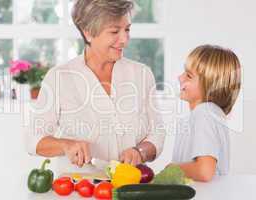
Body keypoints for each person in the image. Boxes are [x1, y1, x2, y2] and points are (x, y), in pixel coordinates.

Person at [25, 0, 165, 174]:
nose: (124, 39)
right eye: (114, 31)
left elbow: (157, 133)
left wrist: (140, 152)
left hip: (129, 185)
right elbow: (33, 139)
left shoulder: (142, 74)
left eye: (127, 29)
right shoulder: (59, 77)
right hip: (79, 187)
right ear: (88, 33)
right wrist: (66, 145)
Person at [170, 45, 241, 182]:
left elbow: (204, 171)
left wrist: (171, 168)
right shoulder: (205, 114)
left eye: (189, 76)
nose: (180, 78)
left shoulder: (205, 113)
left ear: (211, 86)